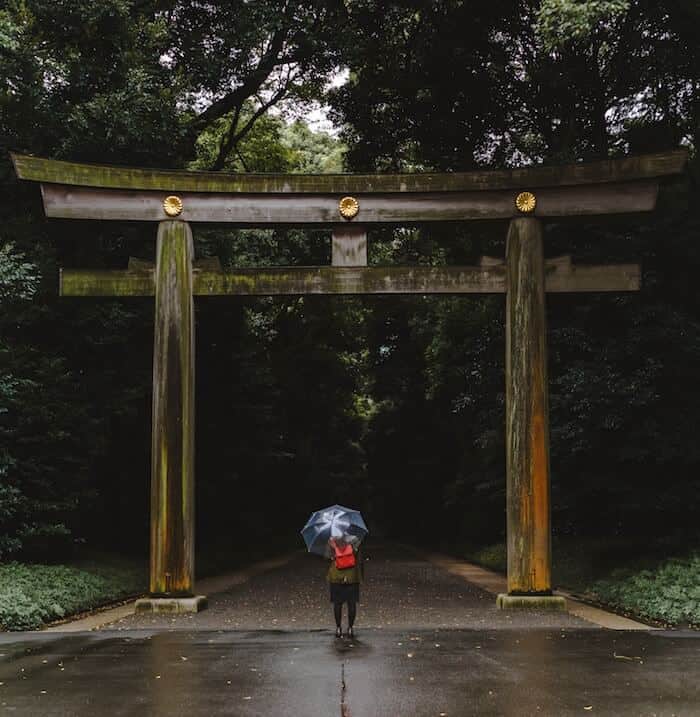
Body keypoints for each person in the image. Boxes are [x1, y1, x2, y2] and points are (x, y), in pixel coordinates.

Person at [327, 535, 363, 638]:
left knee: (337, 603)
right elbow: (359, 559)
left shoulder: (332, 540)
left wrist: (333, 549)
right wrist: (361, 576)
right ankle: (350, 628)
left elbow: (327, 557)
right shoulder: (355, 540)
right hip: (352, 576)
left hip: (336, 576)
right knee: (351, 603)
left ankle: (338, 628)